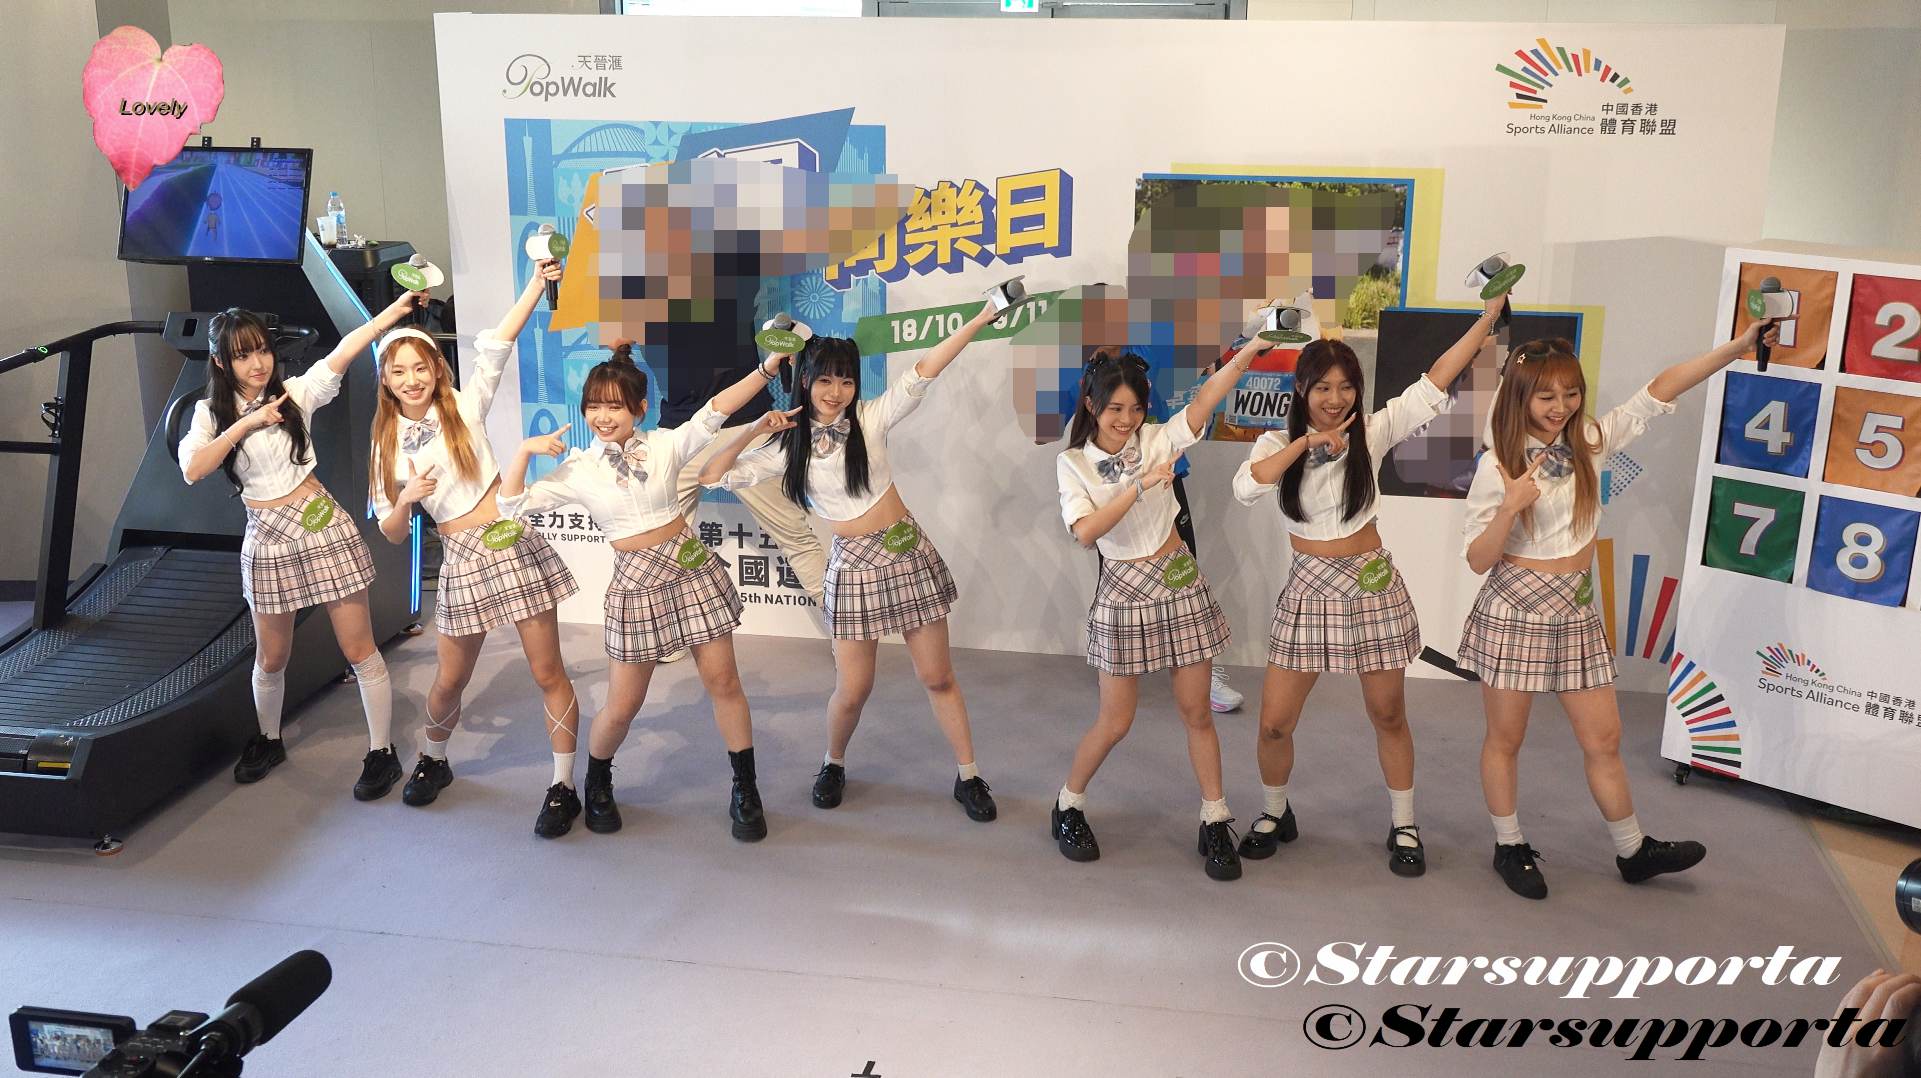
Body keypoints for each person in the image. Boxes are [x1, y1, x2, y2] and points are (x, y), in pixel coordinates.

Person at [1460, 318, 1778, 899]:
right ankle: (1509, 845)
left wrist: (1738, 347)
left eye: (1570, 393)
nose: (1561, 406)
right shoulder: (1497, 465)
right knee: (1506, 738)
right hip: (1516, 611)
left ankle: (1633, 850)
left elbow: (1659, 390)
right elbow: (1479, 559)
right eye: (1546, 396)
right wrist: (1509, 506)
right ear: (1520, 397)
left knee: (1603, 738)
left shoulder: (1588, 442)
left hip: (1576, 611)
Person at [699, 300, 1003, 824]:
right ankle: (833, 762)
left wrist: (979, 320)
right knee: (853, 688)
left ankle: (969, 775)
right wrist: (753, 430)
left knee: (937, 676)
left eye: (846, 381)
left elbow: (926, 369)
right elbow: (711, 475)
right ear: (805, 381)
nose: (836, 391)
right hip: (853, 568)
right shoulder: (785, 446)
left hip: (906, 552)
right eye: (825, 380)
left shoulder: (870, 418)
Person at [1231, 295, 1503, 877]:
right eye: (1322, 388)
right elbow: (1247, 487)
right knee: (1274, 722)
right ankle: (1275, 812)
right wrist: (1306, 444)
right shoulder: (1276, 445)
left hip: (1371, 585)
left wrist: (1486, 320)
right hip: (1306, 590)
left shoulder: (1372, 432)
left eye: (1346, 387)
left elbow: (1434, 382)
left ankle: (1404, 823)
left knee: (1388, 714)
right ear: (1301, 391)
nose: (1335, 399)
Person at [499, 343, 778, 841]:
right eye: (594, 406)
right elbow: (512, 506)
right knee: (624, 704)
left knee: (724, 683)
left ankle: (745, 789)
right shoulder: (579, 468)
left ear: (639, 408)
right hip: (635, 584)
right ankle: (597, 781)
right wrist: (523, 452)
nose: (603, 417)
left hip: (690, 570)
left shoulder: (667, 444)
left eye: (614, 405)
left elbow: (718, 408)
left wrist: (767, 368)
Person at [178, 293, 424, 799]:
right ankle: (269, 739)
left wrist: (392, 313)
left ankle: (381, 751)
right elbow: (193, 469)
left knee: (359, 648)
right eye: (243, 355)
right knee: (271, 657)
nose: (258, 363)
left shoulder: (293, 394)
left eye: (262, 350)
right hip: (264, 534)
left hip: (320, 523)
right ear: (222, 363)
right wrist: (246, 423)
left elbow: (344, 351)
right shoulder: (209, 413)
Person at [370, 259, 586, 835]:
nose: (412, 379)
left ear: (437, 368)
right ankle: (434, 759)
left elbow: (498, 344)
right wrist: (405, 500)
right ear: (385, 379)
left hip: (510, 543)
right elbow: (391, 532)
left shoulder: (464, 407)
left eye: (420, 367)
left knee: (547, 671)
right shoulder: (384, 444)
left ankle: (564, 785)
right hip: (461, 559)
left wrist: (537, 284)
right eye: (399, 371)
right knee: (449, 679)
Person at [1050, 337, 1269, 880]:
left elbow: (1207, 398)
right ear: (1091, 405)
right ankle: (1067, 805)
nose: (1126, 420)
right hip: (1122, 591)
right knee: (1115, 721)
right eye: (1115, 408)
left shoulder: (1156, 439)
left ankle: (1214, 818)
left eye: (1135, 408)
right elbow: (1086, 533)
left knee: (1197, 713)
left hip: (1178, 581)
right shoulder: (1073, 463)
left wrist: (1254, 348)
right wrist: (1138, 486)